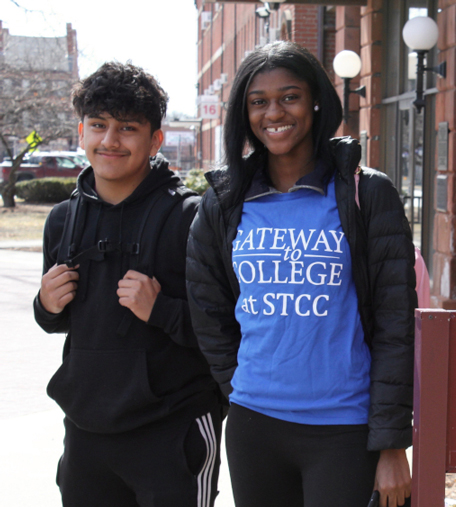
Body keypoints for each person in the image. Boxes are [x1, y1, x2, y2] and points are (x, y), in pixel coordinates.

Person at [185, 41, 416, 507]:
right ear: (244, 113)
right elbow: (207, 307)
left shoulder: (365, 194)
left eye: (289, 96)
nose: (274, 112)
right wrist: (239, 383)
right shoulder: (226, 200)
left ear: (314, 101)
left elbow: (396, 324)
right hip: (254, 426)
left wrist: (391, 442)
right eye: (259, 101)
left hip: (343, 428)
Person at [34, 62, 224, 507]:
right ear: (81, 130)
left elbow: (226, 331)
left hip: (172, 429)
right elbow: (61, 323)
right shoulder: (63, 220)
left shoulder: (191, 219)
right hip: (86, 432)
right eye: (98, 126)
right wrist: (46, 306)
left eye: (127, 128)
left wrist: (161, 310)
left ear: (155, 139)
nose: (109, 141)